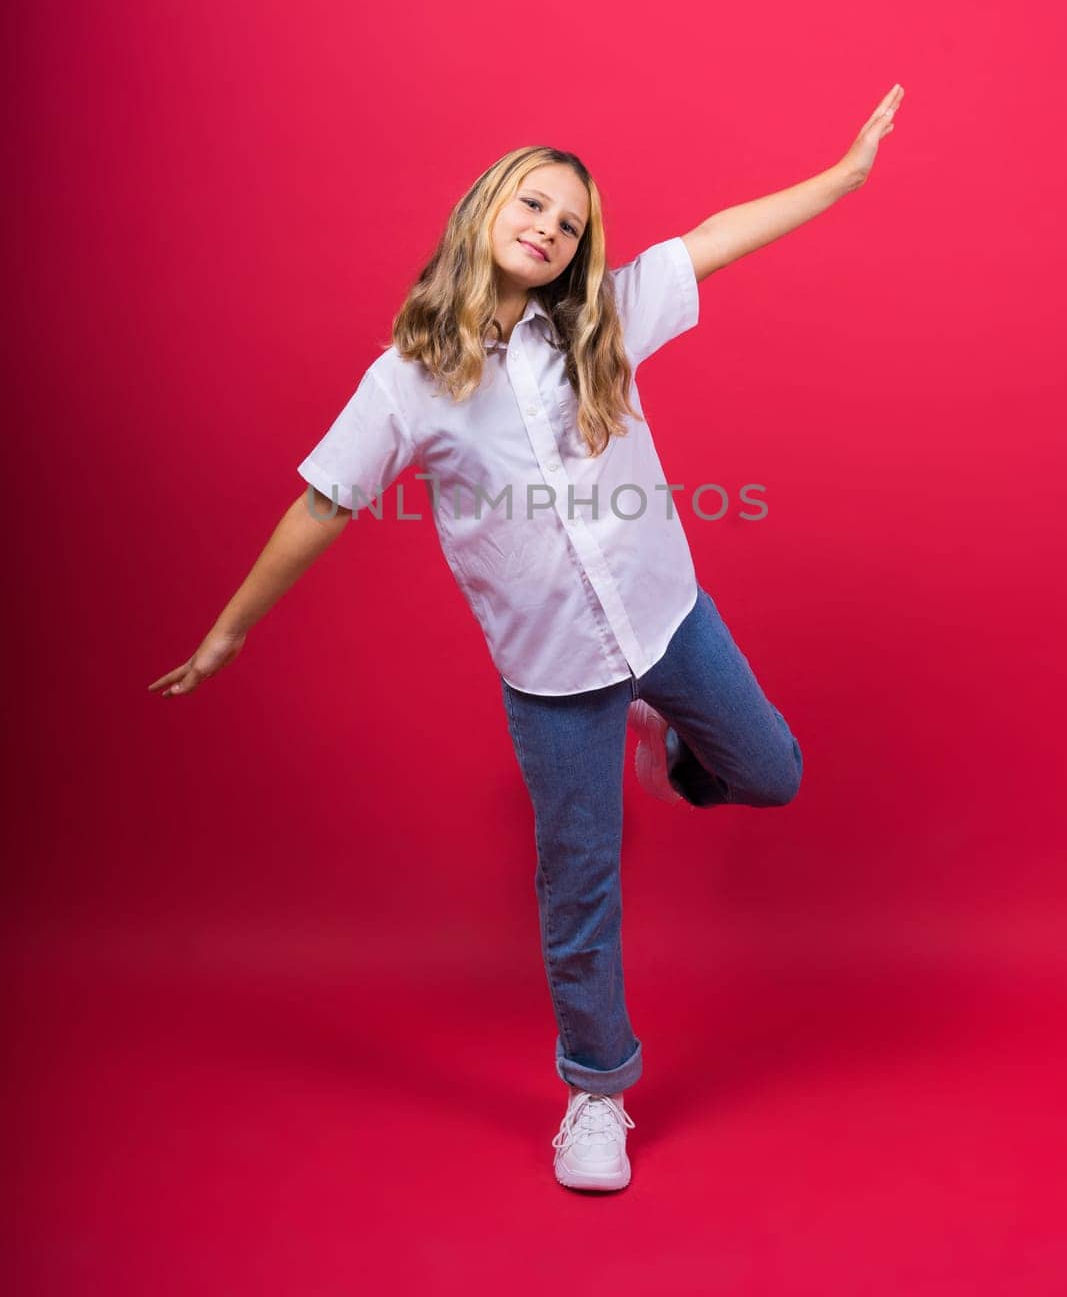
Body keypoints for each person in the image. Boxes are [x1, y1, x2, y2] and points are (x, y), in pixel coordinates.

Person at [148, 86, 905, 1193]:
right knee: (578, 882)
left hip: (664, 618)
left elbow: (705, 242)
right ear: (485, 208)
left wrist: (839, 178)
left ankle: (669, 737)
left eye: (569, 223)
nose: (550, 227)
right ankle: (595, 1093)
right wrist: (226, 635)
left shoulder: (599, 324)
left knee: (772, 772)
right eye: (534, 203)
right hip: (552, 676)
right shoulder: (408, 381)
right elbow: (321, 502)